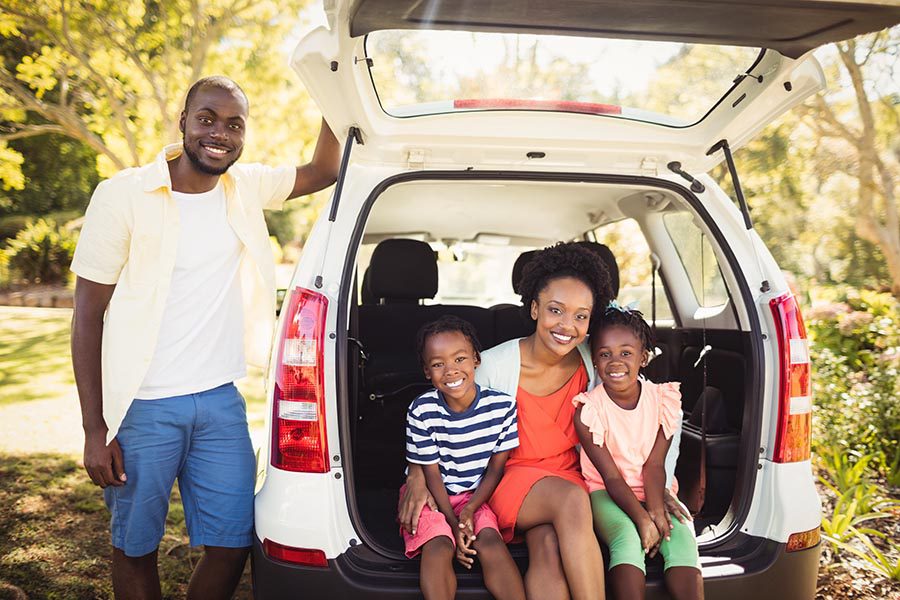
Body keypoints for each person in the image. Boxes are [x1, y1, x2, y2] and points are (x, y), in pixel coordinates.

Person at [70, 75, 340, 600]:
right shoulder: (124, 194)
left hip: (219, 400)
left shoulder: (247, 186)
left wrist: (333, 81)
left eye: (234, 124)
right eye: (207, 119)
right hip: (142, 407)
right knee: (135, 546)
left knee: (235, 539)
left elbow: (324, 170)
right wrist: (93, 427)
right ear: (184, 123)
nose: (220, 133)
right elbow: (86, 316)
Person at [400, 242, 690, 600]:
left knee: (549, 547)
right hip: (509, 480)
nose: (567, 326)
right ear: (535, 309)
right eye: (556, 310)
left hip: (574, 479)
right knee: (569, 500)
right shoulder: (489, 366)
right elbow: (440, 416)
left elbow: (649, 415)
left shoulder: (597, 363)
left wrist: (658, 486)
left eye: (581, 316)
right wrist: (416, 472)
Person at [573, 303, 702, 600]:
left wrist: (656, 511)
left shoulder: (664, 400)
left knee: (679, 532)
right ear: (594, 360)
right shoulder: (588, 411)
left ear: (643, 358)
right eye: (605, 354)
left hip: (655, 487)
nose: (615, 362)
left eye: (626, 353)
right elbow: (611, 477)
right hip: (605, 492)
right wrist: (643, 520)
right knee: (627, 537)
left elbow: (655, 465)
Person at [403, 316, 525, 600]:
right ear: (426, 371)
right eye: (438, 364)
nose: (451, 370)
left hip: (476, 495)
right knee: (439, 546)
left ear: (476, 360)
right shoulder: (421, 410)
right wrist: (452, 523)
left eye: (460, 359)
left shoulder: (502, 407)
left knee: (492, 544)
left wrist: (470, 510)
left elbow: (496, 469)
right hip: (434, 497)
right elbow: (431, 475)